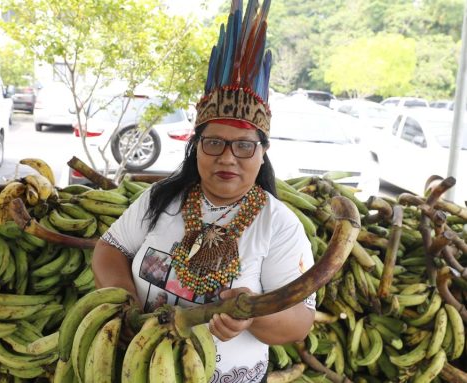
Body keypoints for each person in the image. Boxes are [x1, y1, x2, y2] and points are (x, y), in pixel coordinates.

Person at [92, 1, 315, 382]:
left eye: (244, 146)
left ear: (263, 153)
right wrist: (127, 305)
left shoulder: (280, 225)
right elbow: (110, 249)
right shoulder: (162, 197)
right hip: (142, 367)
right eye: (214, 143)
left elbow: (299, 321)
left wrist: (252, 316)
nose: (227, 158)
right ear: (196, 146)